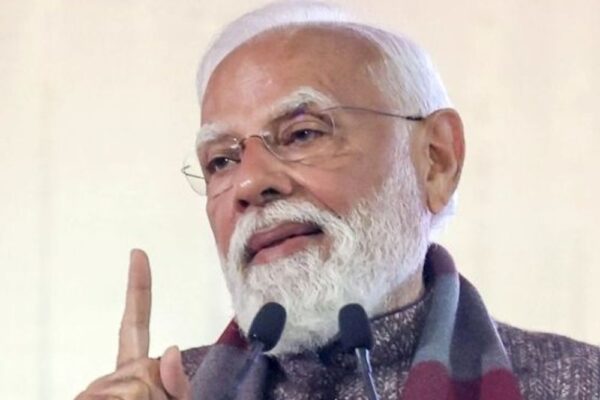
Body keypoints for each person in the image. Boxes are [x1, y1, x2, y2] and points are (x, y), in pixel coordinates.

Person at [75, 1, 599, 399]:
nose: (249, 183)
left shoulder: (577, 383)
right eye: (221, 161)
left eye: (302, 133)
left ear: (436, 160)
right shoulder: (171, 391)